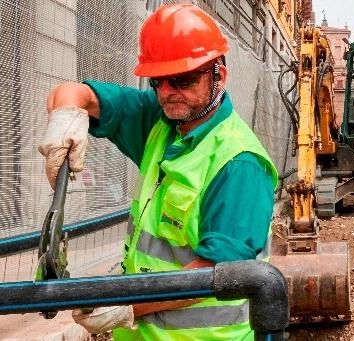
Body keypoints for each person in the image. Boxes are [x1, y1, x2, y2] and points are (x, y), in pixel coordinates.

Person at [38, 3, 278, 340]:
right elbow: (78, 93)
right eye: (157, 80)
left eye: (181, 79)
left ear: (218, 76)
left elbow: (218, 273)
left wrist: (126, 304)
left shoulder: (239, 163)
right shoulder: (161, 120)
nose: (166, 91)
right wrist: (66, 114)